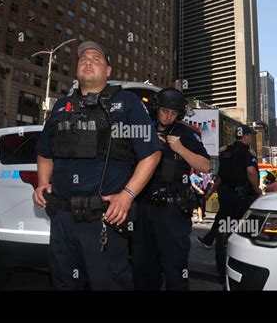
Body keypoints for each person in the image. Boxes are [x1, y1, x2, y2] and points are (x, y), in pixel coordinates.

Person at [33, 41, 162, 290]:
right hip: (61, 220)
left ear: (109, 71)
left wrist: (127, 195)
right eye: (82, 59)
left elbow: (152, 154)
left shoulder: (127, 103)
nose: (87, 61)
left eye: (96, 58)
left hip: (103, 218)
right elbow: (44, 154)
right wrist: (42, 183)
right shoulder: (61, 106)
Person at [132, 87, 211, 291]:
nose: (168, 116)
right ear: (157, 108)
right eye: (165, 111)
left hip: (171, 211)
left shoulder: (184, 133)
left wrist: (180, 148)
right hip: (144, 208)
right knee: (142, 267)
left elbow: (205, 166)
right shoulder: (145, 129)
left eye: (174, 113)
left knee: (174, 269)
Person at [214, 125, 262, 281]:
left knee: (223, 232)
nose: (252, 139)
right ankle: (243, 267)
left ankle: (222, 270)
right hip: (242, 199)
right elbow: (251, 171)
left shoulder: (226, 152)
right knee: (245, 233)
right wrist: (257, 189)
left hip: (226, 198)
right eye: (251, 136)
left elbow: (219, 177)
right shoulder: (247, 152)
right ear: (246, 136)